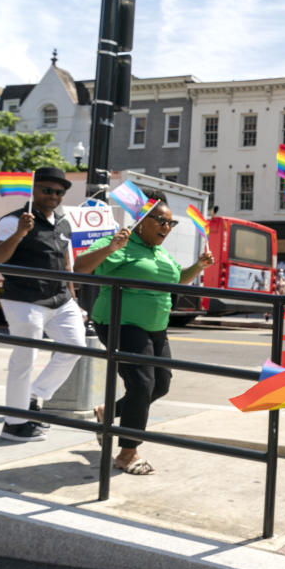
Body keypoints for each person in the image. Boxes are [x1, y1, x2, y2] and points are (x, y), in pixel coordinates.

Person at [74, 192, 214, 475]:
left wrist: (198, 266)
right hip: (120, 323)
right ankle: (128, 453)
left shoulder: (161, 253)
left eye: (170, 224)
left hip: (155, 327)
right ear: (142, 222)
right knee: (141, 384)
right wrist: (111, 247)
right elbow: (80, 268)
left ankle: (107, 413)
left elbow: (179, 278)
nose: (166, 228)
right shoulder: (120, 241)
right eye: (161, 221)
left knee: (161, 384)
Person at [0, 166, 86, 442]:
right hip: (24, 299)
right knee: (25, 358)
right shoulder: (11, 221)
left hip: (60, 298)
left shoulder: (63, 222)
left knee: (75, 346)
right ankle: (14, 423)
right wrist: (20, 233)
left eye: (59, 191)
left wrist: (75, 300)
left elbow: (67, 264)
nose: (53, 195)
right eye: (47, 189)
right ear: (34, 190)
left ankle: (35, 394)